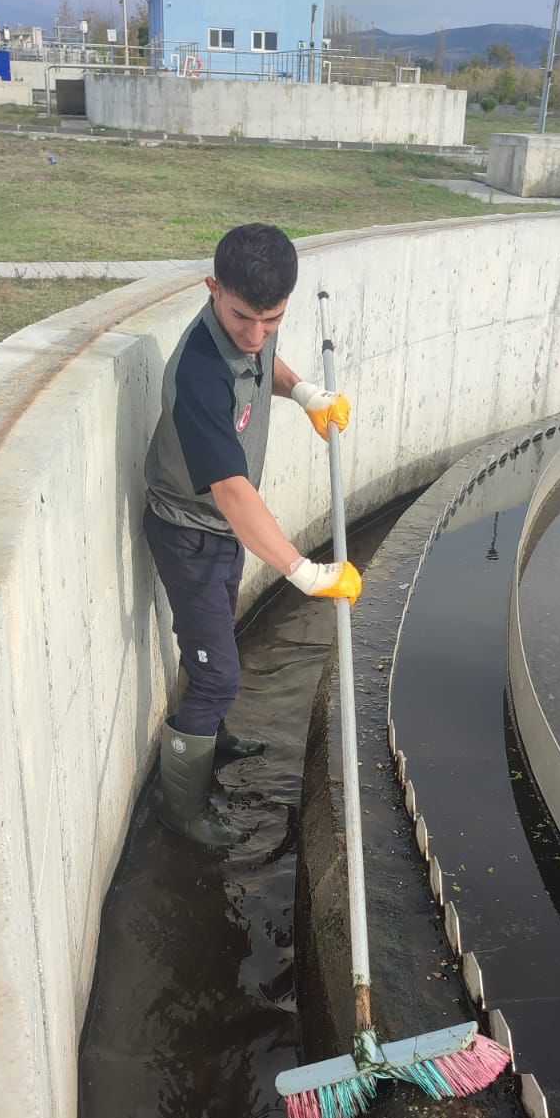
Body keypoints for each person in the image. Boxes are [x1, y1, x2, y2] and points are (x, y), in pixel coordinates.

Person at [143, 223, 361, 847]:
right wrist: (305, 572)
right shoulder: (201, 377)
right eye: (244, 319)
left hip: (220, 528)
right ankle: (179, 809)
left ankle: (211, 728)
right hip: (191, 529)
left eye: (274, 320)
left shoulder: (252, 321)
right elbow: (233, 493)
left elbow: (268, 359)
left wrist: (305, 394)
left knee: (215, 650)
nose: (258, 335)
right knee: (217, 672)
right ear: (213, 289)